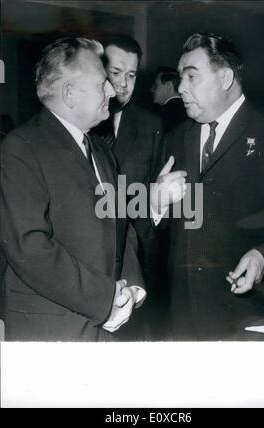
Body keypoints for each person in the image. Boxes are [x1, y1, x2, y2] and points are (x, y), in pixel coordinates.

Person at [151, 33, 264, 341]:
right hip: (184, 317)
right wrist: (156, 204)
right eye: (180, 78)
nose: (180, 88)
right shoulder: (175, 138)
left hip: (251, 316)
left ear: (226, 78)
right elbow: (156, 233)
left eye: (192, 77)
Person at [0, 37, 146, 342]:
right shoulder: (20, 149)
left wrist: (132, 288)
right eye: (102, 83)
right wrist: (106, 300)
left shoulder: (101, 150)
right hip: (53, 332)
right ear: (69, 94)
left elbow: (123, 225)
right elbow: (30, 248)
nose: (112, 90)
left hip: (107, 328)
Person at [93, 35, 164, 338]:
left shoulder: (151, 126)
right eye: (115, 72)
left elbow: (159, 198)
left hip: (137, 272)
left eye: (131, 75)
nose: (123, 84)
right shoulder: (81, 121)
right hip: (87, 271)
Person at [151, 66, 187, 132]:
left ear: (168, 86)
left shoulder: (160, 115)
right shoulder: (188, 110)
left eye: (156, 85)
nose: (152, 89)